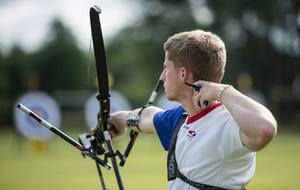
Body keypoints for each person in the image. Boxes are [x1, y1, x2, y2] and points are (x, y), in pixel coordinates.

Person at [107, 30, 277, 190]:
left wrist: (222, 91)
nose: (162, 76)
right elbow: (147, 116)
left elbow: (265, 129)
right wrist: (115, 120)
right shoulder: (181, 119)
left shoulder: (226, 125)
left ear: (182, 74)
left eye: (167, 67)